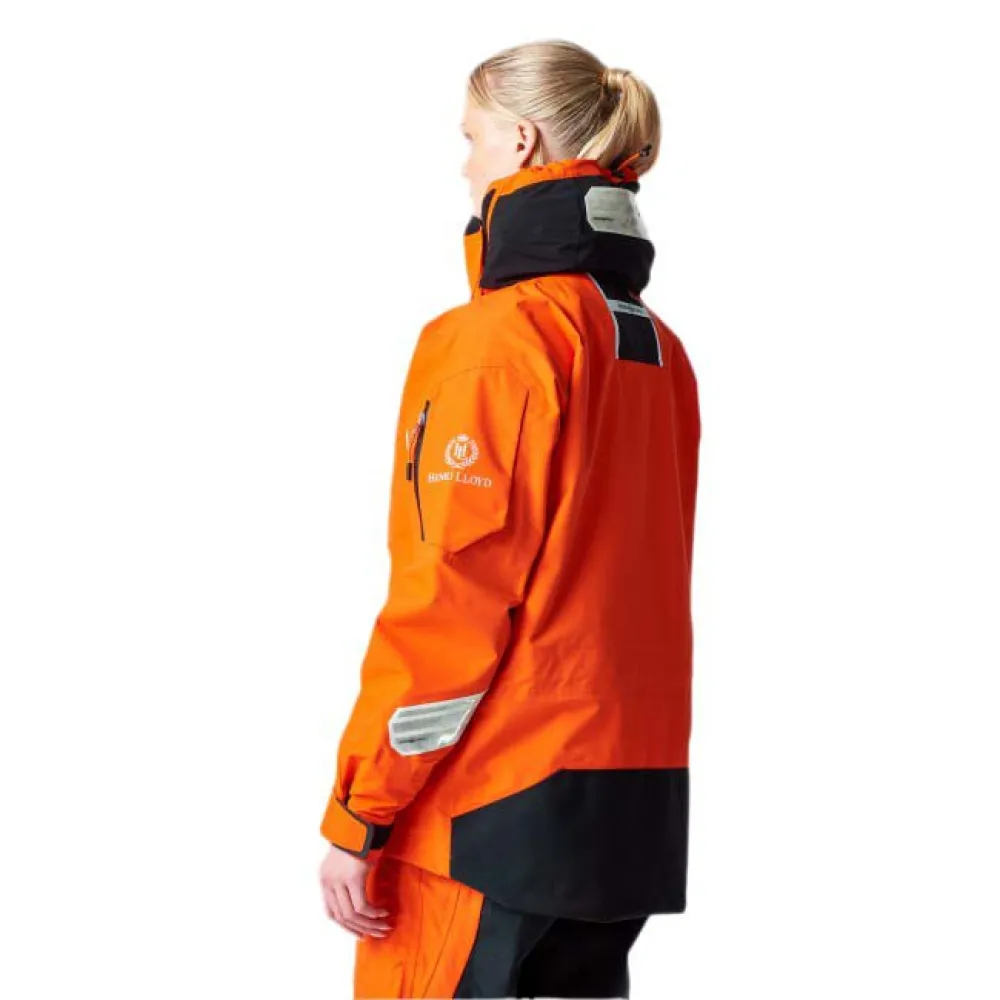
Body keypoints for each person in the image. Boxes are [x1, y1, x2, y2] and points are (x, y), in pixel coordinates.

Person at [318, 38, 701, 999]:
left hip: (487, 812)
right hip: (629, 808)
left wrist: (360, 815)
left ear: (523, 141)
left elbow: (450, 600)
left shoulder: (497, 341)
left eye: (472, 137)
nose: (465, 165)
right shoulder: (659, 351)